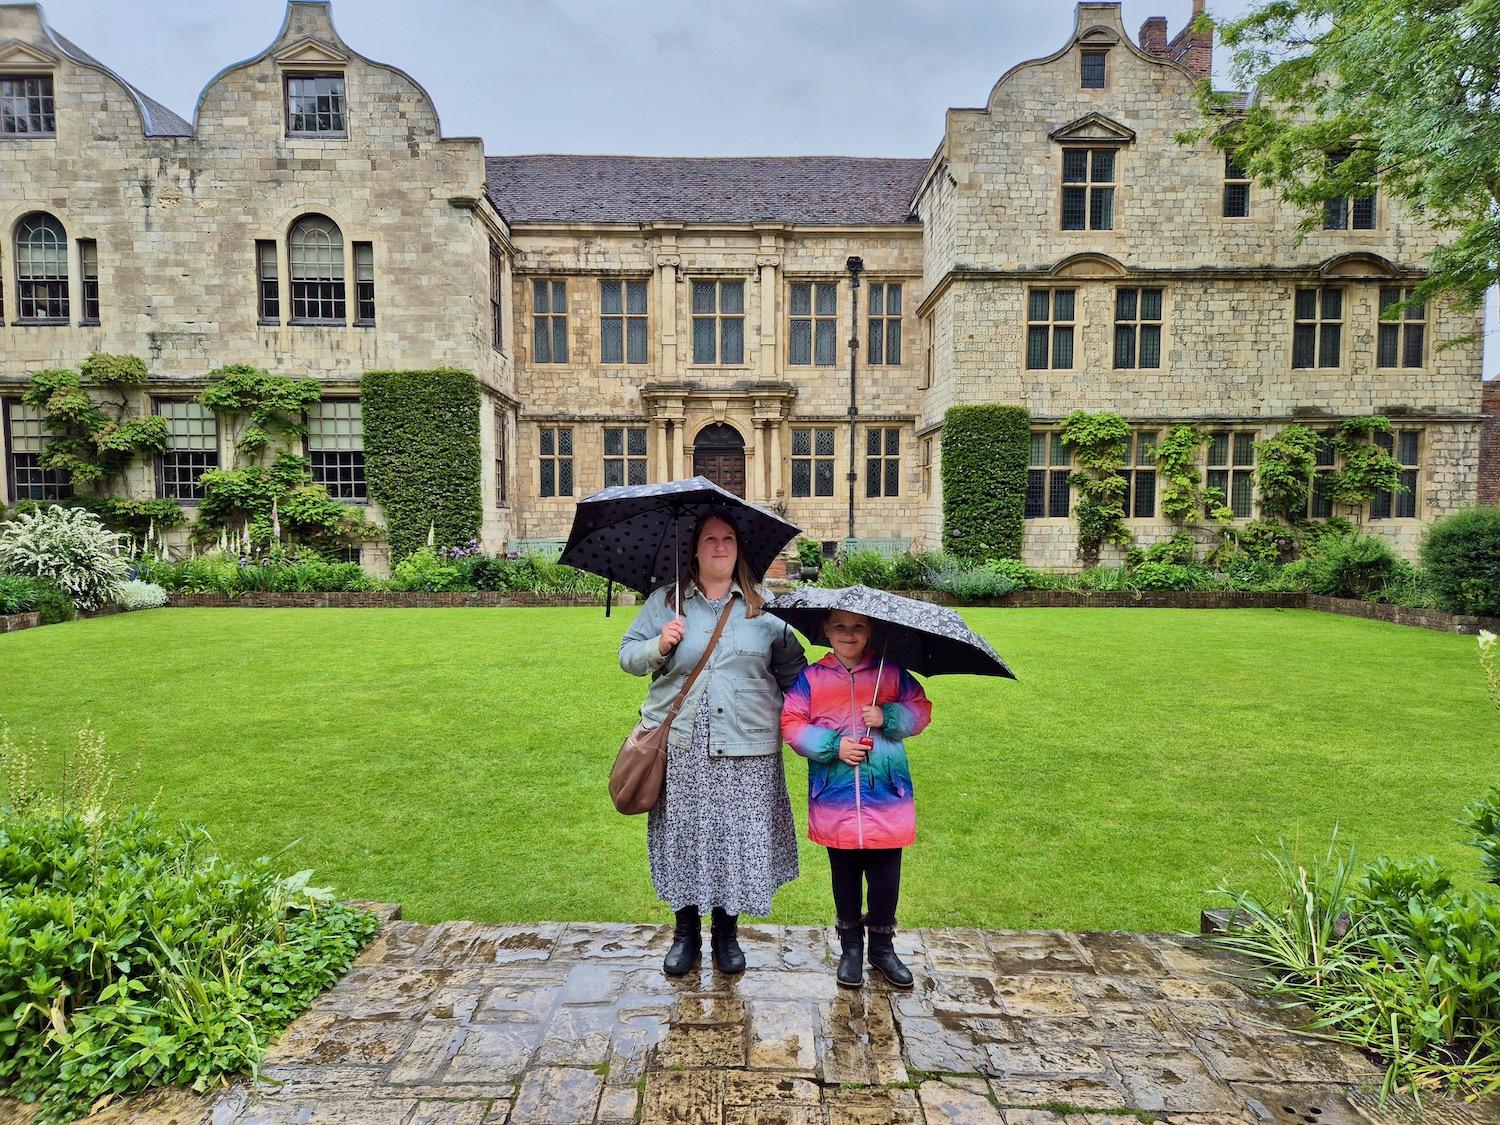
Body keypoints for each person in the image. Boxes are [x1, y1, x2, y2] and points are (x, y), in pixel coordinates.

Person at [619, 508, 807, 976]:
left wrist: (830, 711)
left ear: (739, 547)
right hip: (681, 745)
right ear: (695, 548)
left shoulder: (766, 612)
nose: (719, 546)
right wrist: (658, 645)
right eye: (709, 539)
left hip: (748, 747)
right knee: (684, 838)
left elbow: (796, 677)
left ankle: (727, 934)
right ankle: (685, 934)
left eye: (727, 538)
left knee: (734, 840)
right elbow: (627, 656)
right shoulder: (666, 602)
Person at [780, 609, 932, 988]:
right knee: (844, 873)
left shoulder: (891, 673)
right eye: (840, 627)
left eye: (858, 627)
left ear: (871, 632)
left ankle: (882, 948)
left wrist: (888, 716)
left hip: (886, 796)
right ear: (827, 631)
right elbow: (791, 723)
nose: (849, 634)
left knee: (884, 876)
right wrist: (834, 746)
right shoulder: (811, 678)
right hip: (835, 797)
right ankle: (850, 948)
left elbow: (921, 711)